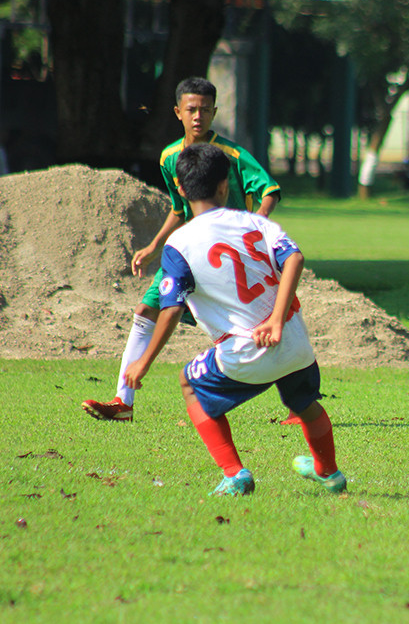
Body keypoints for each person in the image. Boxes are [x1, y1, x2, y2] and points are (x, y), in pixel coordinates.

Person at [122, 143, 344, 496]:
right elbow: (295, 259)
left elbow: (172, 308)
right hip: (296, 345)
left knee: (189, 383)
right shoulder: (257, 222)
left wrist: (143, 362)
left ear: (179, 188)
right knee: (304, 403)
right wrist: (275, 319)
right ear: (226, 184)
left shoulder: (179, 243)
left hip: (245, 354)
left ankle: (234, 473)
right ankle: (329, 474)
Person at [82, 77, 281, 421]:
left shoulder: (233, 155)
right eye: (191, 109)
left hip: (228, 253)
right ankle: (123, 402)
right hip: (189, 250)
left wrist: (258, 223)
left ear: (215, 111)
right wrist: (154, 245)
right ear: (178, 112)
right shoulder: (169, 158)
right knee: (146, 310)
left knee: (261, 323)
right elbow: (179, 208)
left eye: (205, 109)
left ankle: (301, 398)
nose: (198, 116)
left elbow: (270, 190)